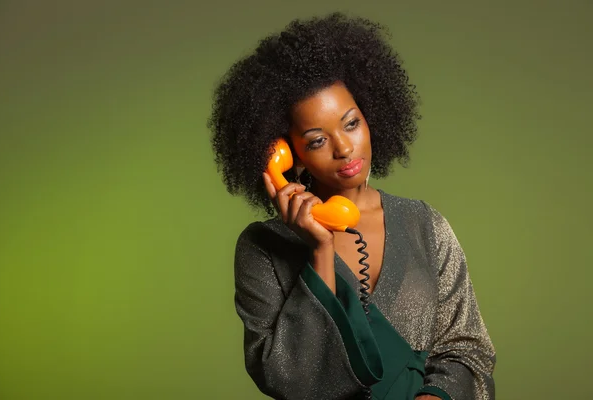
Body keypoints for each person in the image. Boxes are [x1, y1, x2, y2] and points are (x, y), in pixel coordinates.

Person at [207, 12, 496, 400]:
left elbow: (468, 349)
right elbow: (288, 378)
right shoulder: (262, 248)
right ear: (287, 153)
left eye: (350, 123)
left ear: (371, 115)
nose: (344, 148)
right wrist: (320, 251)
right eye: (316, 141)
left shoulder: (425, 225)